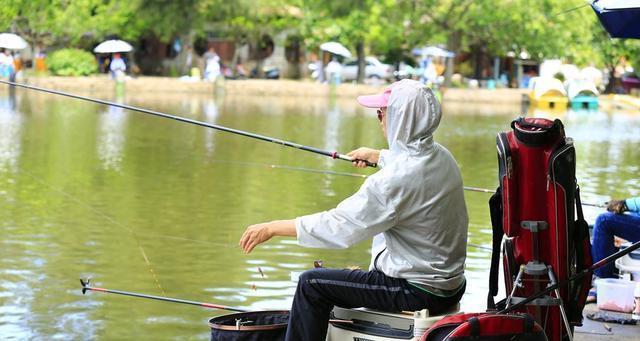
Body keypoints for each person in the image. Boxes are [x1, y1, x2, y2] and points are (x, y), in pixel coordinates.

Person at [239, 79, 468, 341]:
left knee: (311, 284)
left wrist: (272, 228)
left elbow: (339, 226)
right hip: (451, 286)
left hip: (417, 290)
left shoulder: (392, 181)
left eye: (381, 113)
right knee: (340, 278)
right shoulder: (442, 157)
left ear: (399, 119)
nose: (379, 119)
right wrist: (377, 155)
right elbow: (412, 160)